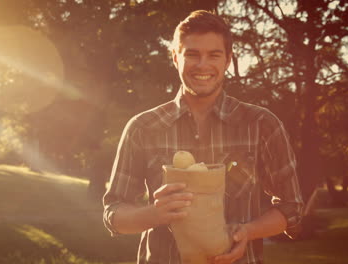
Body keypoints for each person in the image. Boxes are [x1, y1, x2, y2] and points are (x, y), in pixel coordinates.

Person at [103, 10, 304, 264]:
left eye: (214, 55)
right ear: (175, 58)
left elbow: (291, 207)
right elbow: (114, 213)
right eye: (192, 54)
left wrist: (247, 232)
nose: (202, 65)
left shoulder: (262, 124)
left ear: (228, 60)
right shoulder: (142, 128)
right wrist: (155, 214)